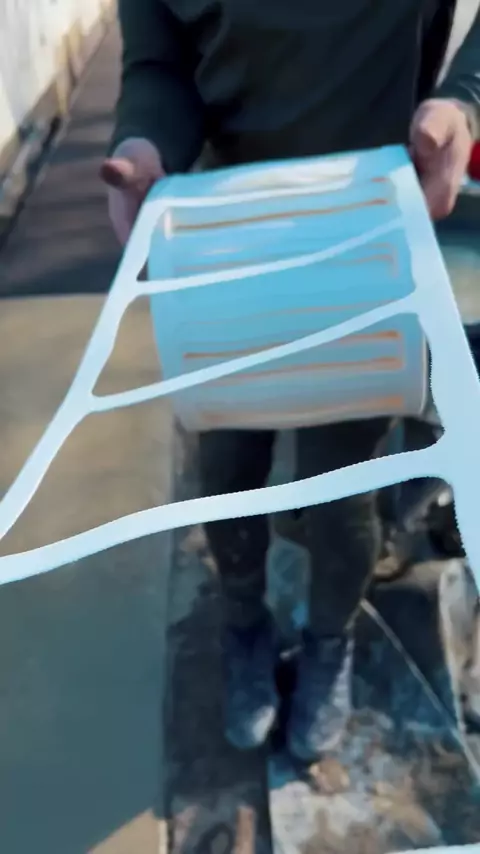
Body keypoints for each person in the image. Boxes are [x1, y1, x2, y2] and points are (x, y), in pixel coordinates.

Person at [102, 0, 480, 762]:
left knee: (343, 484)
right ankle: (244, 624)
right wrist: (143, 141)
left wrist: (463, 101)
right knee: (228, 465)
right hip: (223, 231)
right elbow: (160, 64)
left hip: (367, 226)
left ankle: (329, 641)